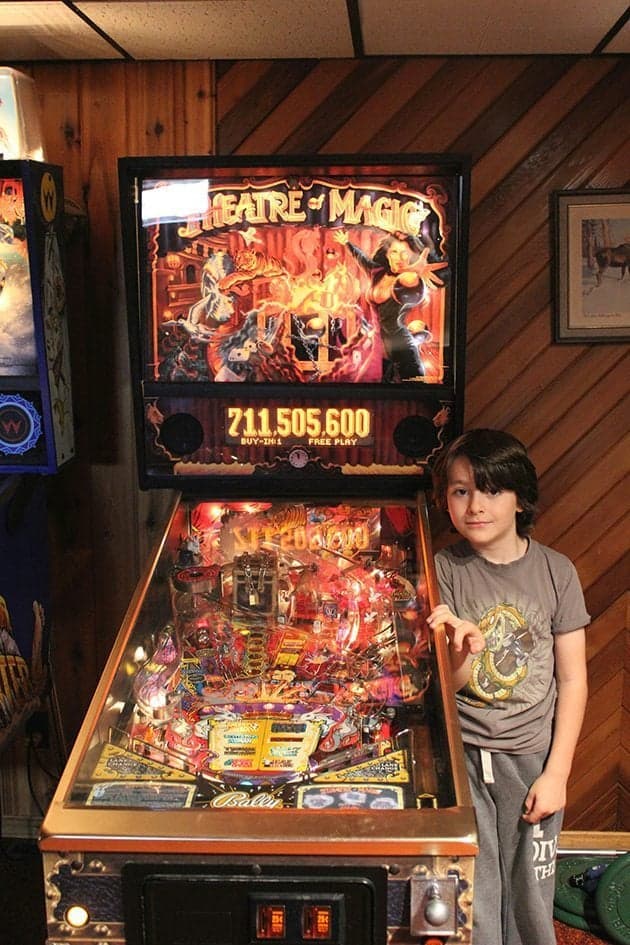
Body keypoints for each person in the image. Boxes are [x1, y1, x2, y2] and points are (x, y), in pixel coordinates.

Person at [426, 429, 589, 945]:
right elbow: (450, 688)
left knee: (532, 893)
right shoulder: (443, 571)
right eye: (460, 490)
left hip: (532, 758)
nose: (475, 505)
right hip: (463, 757)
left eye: (491, 490)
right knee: (473, 884)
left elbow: (573, 678)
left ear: (520, 498)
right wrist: (462, 649)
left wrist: (558, 772)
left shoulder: (556, 572)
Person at [332, 229, 445, 380]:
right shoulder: (377, 272)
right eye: (394, 252)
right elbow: (362, 259)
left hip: (402, 349)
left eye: (405, 253)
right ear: (386, 254)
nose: (400, 258)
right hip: (379, 349)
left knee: (413, 395)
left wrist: (414, 270)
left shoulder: (408, 279)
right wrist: (347, 243)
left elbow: (411, 280)